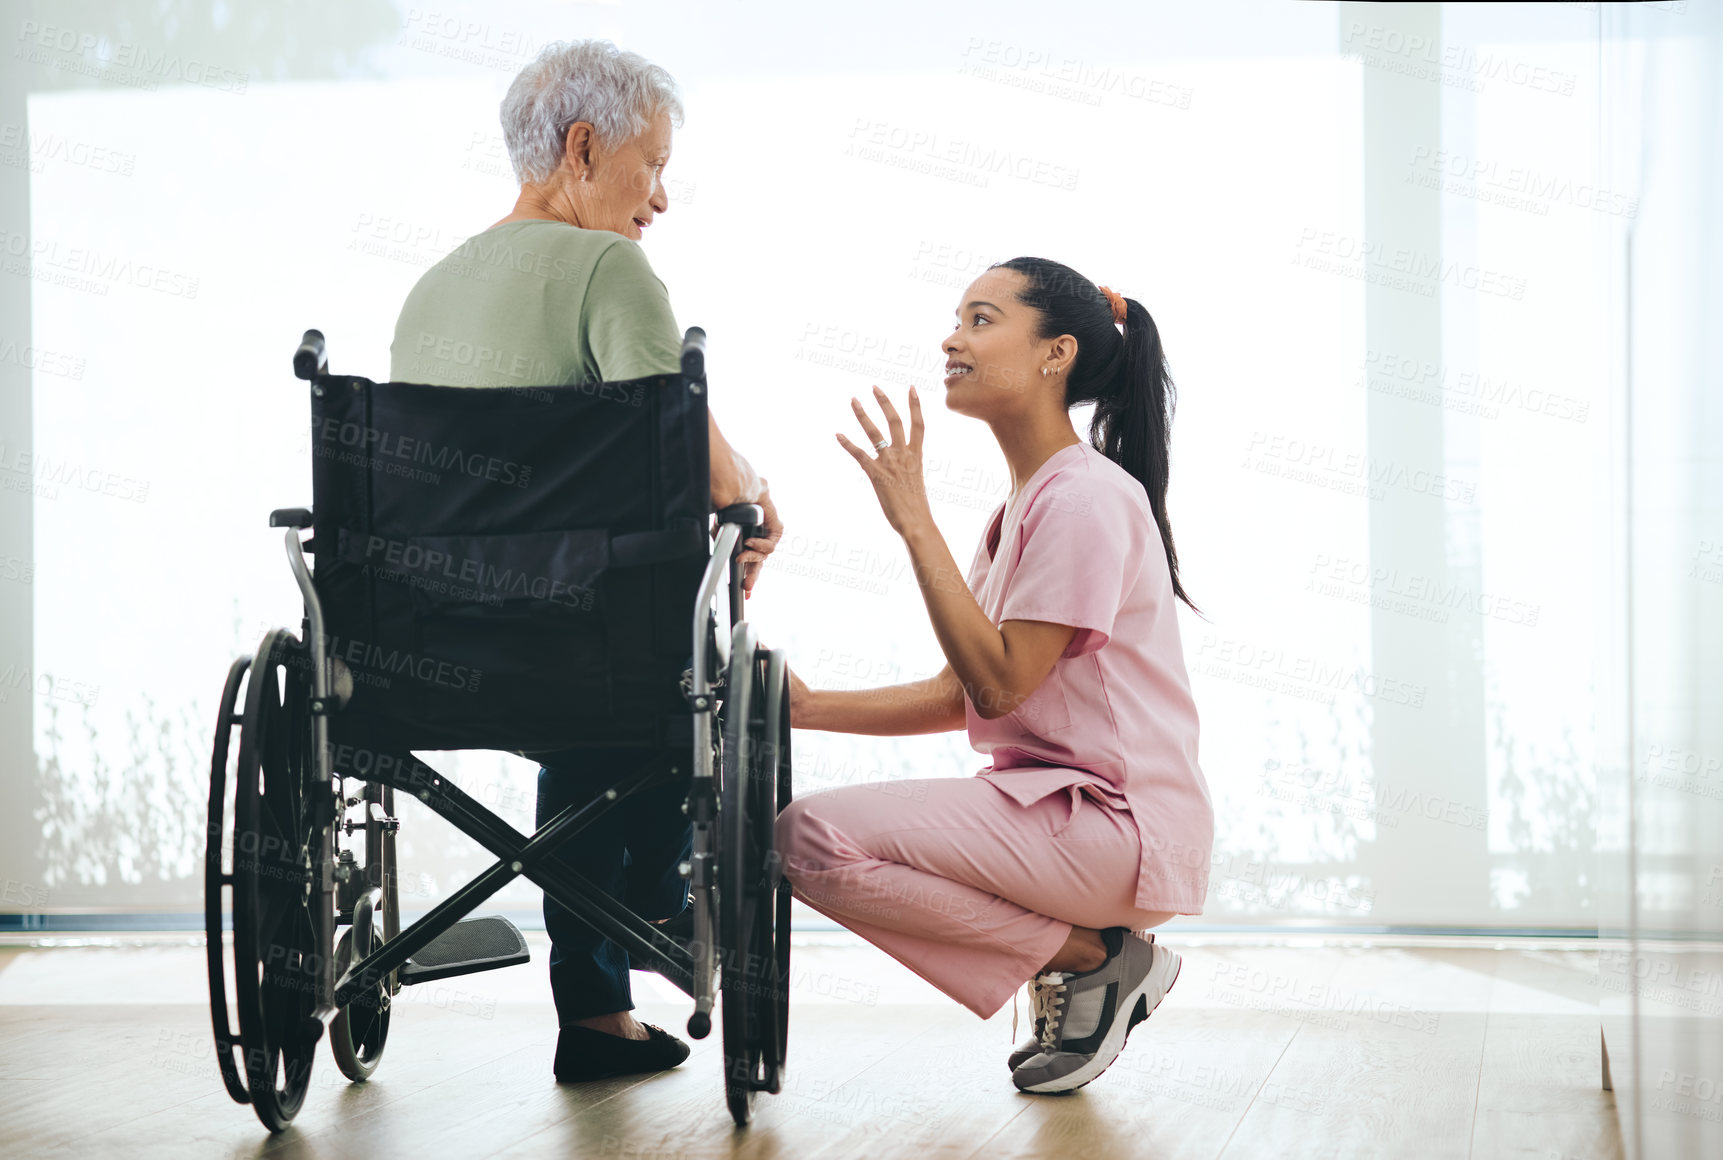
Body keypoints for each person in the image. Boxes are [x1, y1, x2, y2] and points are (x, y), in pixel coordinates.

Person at [388, 39, 783, 1082]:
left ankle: (597, 1012)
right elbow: (675, 441)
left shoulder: (430, 289)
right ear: (579, 147)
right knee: (642, 690)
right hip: (587, 650)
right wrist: (752, 490)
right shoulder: (610, 265)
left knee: (585, 706)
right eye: (651, 164)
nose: (661, 197)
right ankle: (654, 893)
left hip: (424, 649)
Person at [775, 257, 1213, 1094]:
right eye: (958, 320)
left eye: (981, 320)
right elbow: (964, 689)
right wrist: (807, 707)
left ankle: (1094, 959)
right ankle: (1089, 963)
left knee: (809, 838)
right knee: (806, 837)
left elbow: (1000, 686)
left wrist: (912, 522)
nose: (952, 338)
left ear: (1056, 353)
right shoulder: (1024, 506)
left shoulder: (1083, 499)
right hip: (1063, 811)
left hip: (1120, 830)